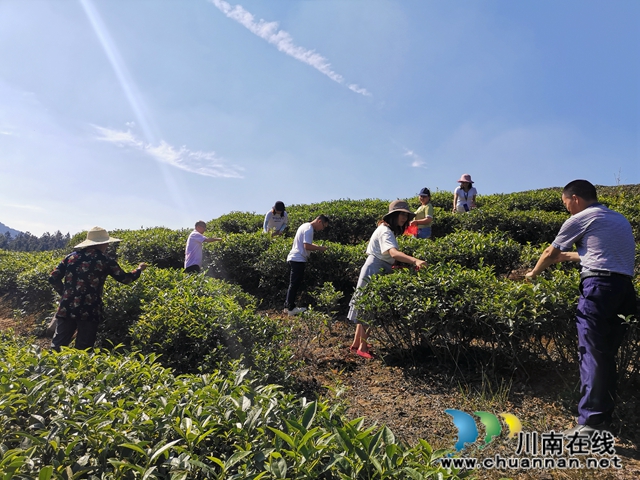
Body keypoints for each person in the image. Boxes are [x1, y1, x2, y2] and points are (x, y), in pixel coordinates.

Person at [525, 180, 636, 436]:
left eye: (566, 204)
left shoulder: (582, 217)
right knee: (605, 355)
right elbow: (603, 253)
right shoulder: (617, 218)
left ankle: (591, 423)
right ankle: (603, 418)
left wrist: (533, 273)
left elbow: (549, 252)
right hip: (624, 290)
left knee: (592, 354)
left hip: (598, 288)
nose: (567, 209)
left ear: (574, 198)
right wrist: (572, 256)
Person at [348, 200, 427, 359]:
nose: (404, 217)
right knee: (369, 309)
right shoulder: (385, 231)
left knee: (365, 306)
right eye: (401, 214)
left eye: (406, 214)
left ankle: (357, 343)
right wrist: (415, 260)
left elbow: (389, 256)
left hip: (376, 266)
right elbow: (393, 253)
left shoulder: (384, 229)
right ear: (393, 215)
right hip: (375, 268)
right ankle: (362, 347)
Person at [49, 226, 147, 350]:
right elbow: (125, 279)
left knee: (57, 346)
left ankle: (49, 368)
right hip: (89, 310)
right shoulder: (105, 260)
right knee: (83, 349)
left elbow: (53, 278)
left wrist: (64, 293)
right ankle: (78, 369)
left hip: (67, 307)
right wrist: (139, 269)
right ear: (103, 244)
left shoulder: (71, 257)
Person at [284, 215, 329, 316]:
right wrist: (320, 248)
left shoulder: (304, 225)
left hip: (294, 258)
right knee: (294, 284)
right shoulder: (309, 229)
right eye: (324, 226)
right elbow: (307, 246)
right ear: (319, 222)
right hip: (298, 259)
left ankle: (287, 306)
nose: (322, 229)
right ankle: (291, 308)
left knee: (293, 284)